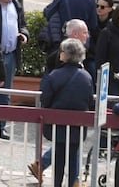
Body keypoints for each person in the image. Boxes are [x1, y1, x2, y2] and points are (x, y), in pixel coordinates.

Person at [30, 37, 95, 187]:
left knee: (59, 157)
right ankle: (73, 182)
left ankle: (57, 184)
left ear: (65, 54)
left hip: (58, 124)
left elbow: (45, 99)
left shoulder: (54, 75)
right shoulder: (87, 77)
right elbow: (90, 101)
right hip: (78, 125)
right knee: (73, 156)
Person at [0, 0, 27, 139]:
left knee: (6, 92)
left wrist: (23, 34)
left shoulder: (16, 5)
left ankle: (1, 127)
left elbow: (23, 25)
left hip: (11, 54)